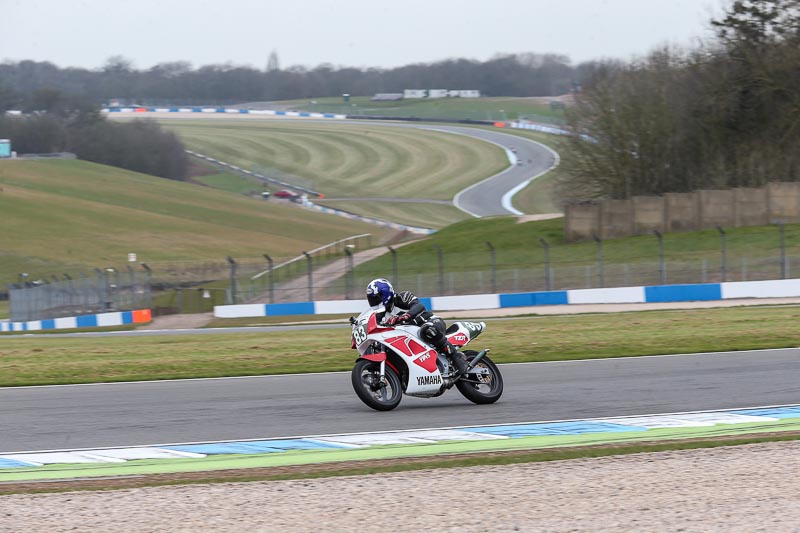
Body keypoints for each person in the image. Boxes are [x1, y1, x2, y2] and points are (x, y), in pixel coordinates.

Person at [365, 278, 468, 375]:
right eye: (372, 299)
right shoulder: (381, 314)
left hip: (430, 322)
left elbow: (419, 306)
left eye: (376, 298)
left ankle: (456, 357)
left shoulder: (402, 297)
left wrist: (405, 316)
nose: (375, 302)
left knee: (427, 331)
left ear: (385, 294)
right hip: (411, 335)